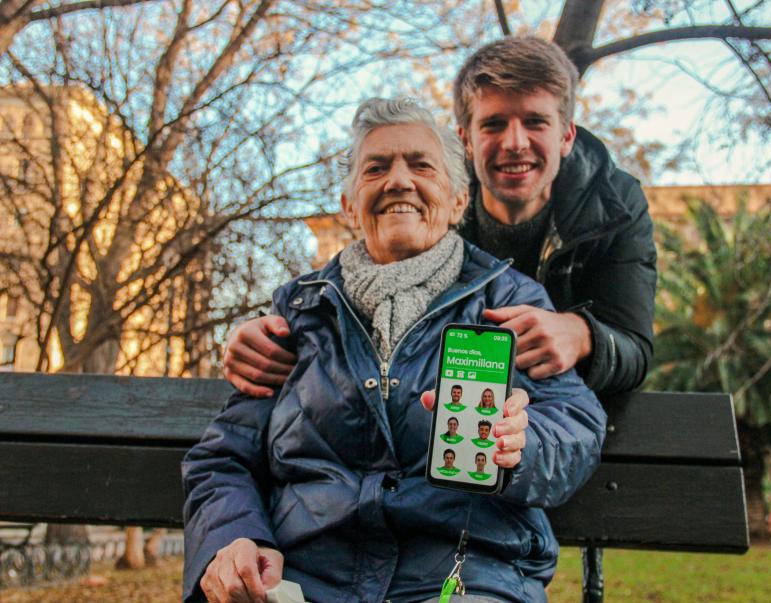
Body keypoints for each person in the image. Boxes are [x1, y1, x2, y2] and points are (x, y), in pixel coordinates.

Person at [183, 98, 606, 603]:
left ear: (457, 200)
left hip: (466, 576)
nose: (398, 181)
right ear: (348, 204)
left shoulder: (508, 301)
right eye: (376, 168)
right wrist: (236, 538)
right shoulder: (298, 312)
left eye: (421, 165)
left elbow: (575, 427)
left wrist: (522, 447)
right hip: (305, 580)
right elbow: (225, 455)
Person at [221, 36, 656, 399]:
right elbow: (361, 293)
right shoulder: (431, 201)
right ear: (465, 138)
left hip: (555, 422)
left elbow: (634, 345)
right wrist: (266, 332)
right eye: (494, 125)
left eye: (535, 122)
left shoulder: (614, 207)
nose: (515, 142)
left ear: (566, 135)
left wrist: (581, 335)